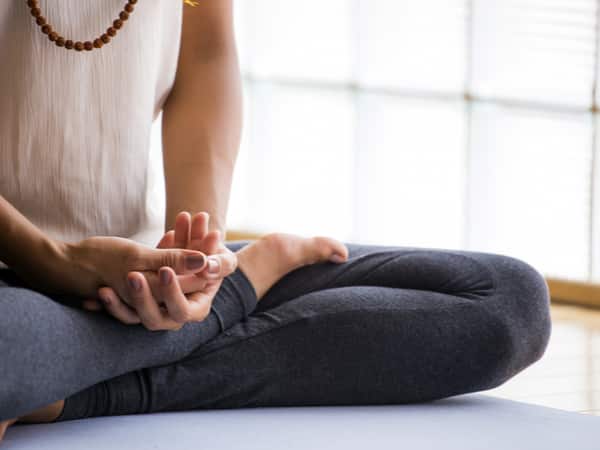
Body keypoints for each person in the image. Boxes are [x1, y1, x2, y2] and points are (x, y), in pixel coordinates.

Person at [0, 0, 552, 442]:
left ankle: (56, 390)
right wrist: (56, 262)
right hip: (12, 274)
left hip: (135, 266)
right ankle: (235, 293)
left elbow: (208, 55)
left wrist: (199, 261)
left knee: (507, 301)